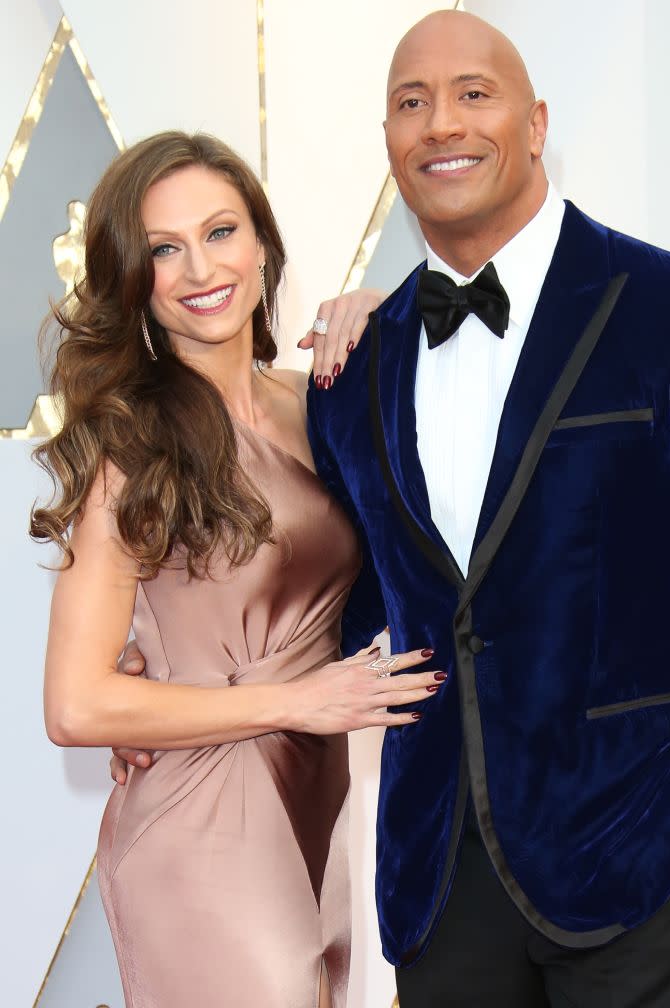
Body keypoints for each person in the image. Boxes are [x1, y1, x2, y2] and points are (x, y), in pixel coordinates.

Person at [113, 11, 670, 1008]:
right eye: (410, 103)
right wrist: (163, 675)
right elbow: (352, 593)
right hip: (437, 880)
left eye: (473, 93)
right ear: (387, 142)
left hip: (642, 860)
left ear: (536, 121)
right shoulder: (352, 372)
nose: (440, 124)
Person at [31, 130, 443, 1008]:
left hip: (314, 795)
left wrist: (384, 317)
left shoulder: (314, 405)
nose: (197, 269)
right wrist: (295, 700)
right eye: (162, 250)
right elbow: (74, 704)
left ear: (262, 243)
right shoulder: (132, 446)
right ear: (134, 279)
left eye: (220, 232)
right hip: (202, 819)